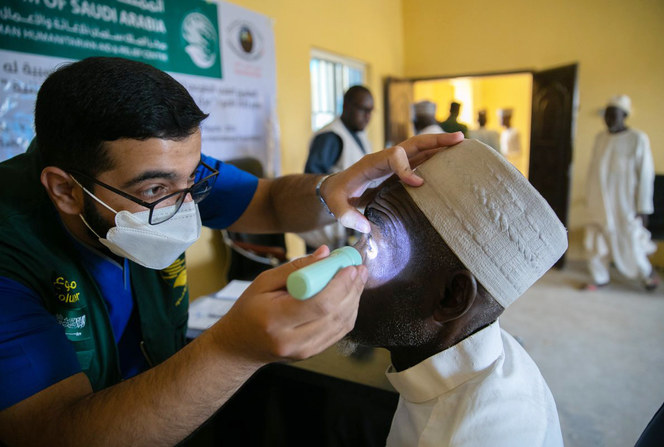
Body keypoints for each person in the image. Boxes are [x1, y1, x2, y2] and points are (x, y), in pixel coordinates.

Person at [0, 57, 465, 446]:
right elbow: (49, 432)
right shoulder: (10, 250)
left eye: (192, 181)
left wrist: (331, 187)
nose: (186, 208)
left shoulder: (166, 166)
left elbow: (266, 201)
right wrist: (233, 349)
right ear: (65, 190)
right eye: (158, 189)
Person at [345, 138, 567, 446]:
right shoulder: (470, 353)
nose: (346, 267)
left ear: (452, 298)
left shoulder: (466, 437)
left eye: (375, 249)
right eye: (361, 237)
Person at [583, 94, 657, 291]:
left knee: (630, 242)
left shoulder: (637, 139)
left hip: (625, 203)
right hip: (599, 201)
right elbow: (592, 170)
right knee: (595, 242)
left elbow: (645, 175)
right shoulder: (600, 138)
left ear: (624, 116)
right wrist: (589, 198)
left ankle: (647, 275)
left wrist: (643, 207)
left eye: (613, 115)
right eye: (606, 115)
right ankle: (599, 278)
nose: (608, 119)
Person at [300, 85, 374, 251]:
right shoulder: (331, 137)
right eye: (363, 109)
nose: (368, 116)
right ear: (346, 106)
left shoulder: (360, 135)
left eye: (370, 111)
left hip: (350, 228)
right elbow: (311, 184)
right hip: (327, 233)